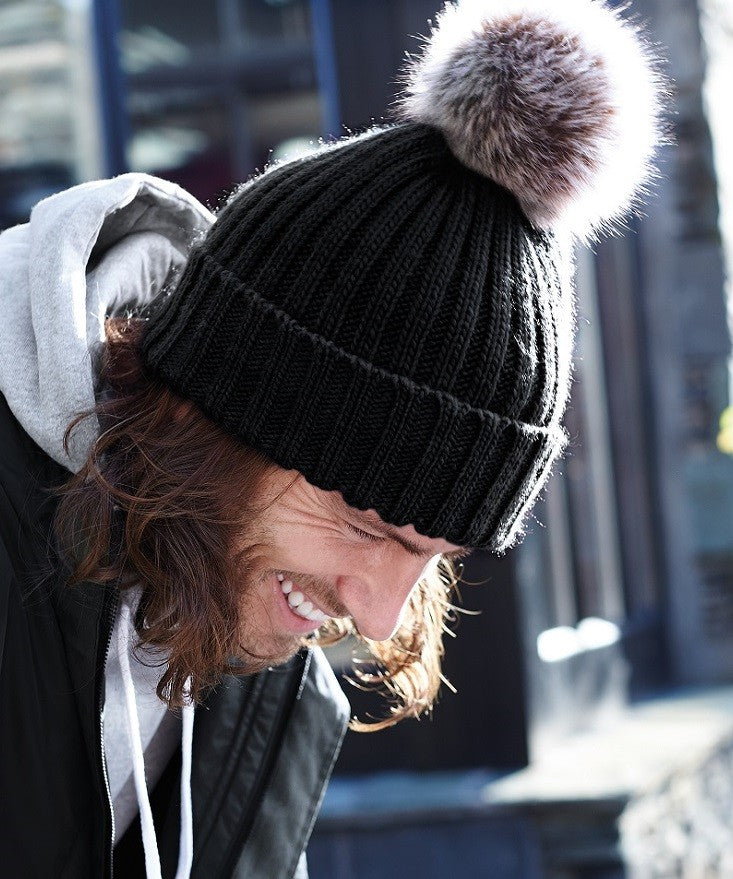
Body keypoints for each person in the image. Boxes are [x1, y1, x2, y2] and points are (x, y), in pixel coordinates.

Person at [0, 1, 663, 876]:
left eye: (433, 555)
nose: (378, 614)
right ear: (210, 413)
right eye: (365, 525)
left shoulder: (270, 689)